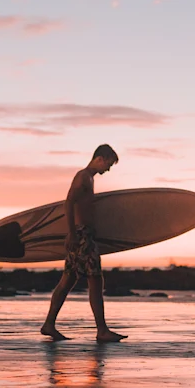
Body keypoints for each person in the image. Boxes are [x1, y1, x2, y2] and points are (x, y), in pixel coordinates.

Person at [41, 145, 127, 343]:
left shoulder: (88, 178)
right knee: (95, 280)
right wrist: (72, 233)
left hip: (83, 234)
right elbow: (68, 202)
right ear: (100, 158)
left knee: (68, 280)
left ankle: (49, 324)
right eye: (108, 164)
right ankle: (102, 330)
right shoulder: (83, 177)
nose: (108, 170)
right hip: (82, 236)